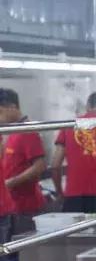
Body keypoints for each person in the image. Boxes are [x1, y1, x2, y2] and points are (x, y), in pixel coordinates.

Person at [51, 92, 96, 213]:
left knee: (78, 232)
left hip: (74, 195)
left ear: (87, 106)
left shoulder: (69, 126)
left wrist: (59, 192)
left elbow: (55, 165)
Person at [0, 89, 46, 233]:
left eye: (0, 111)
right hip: (13, 204)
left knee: (23, 251)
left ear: (12, 107)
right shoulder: (12, 130)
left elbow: (39, 166)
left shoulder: (27, 130)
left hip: (26, 206)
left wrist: (10, 183)